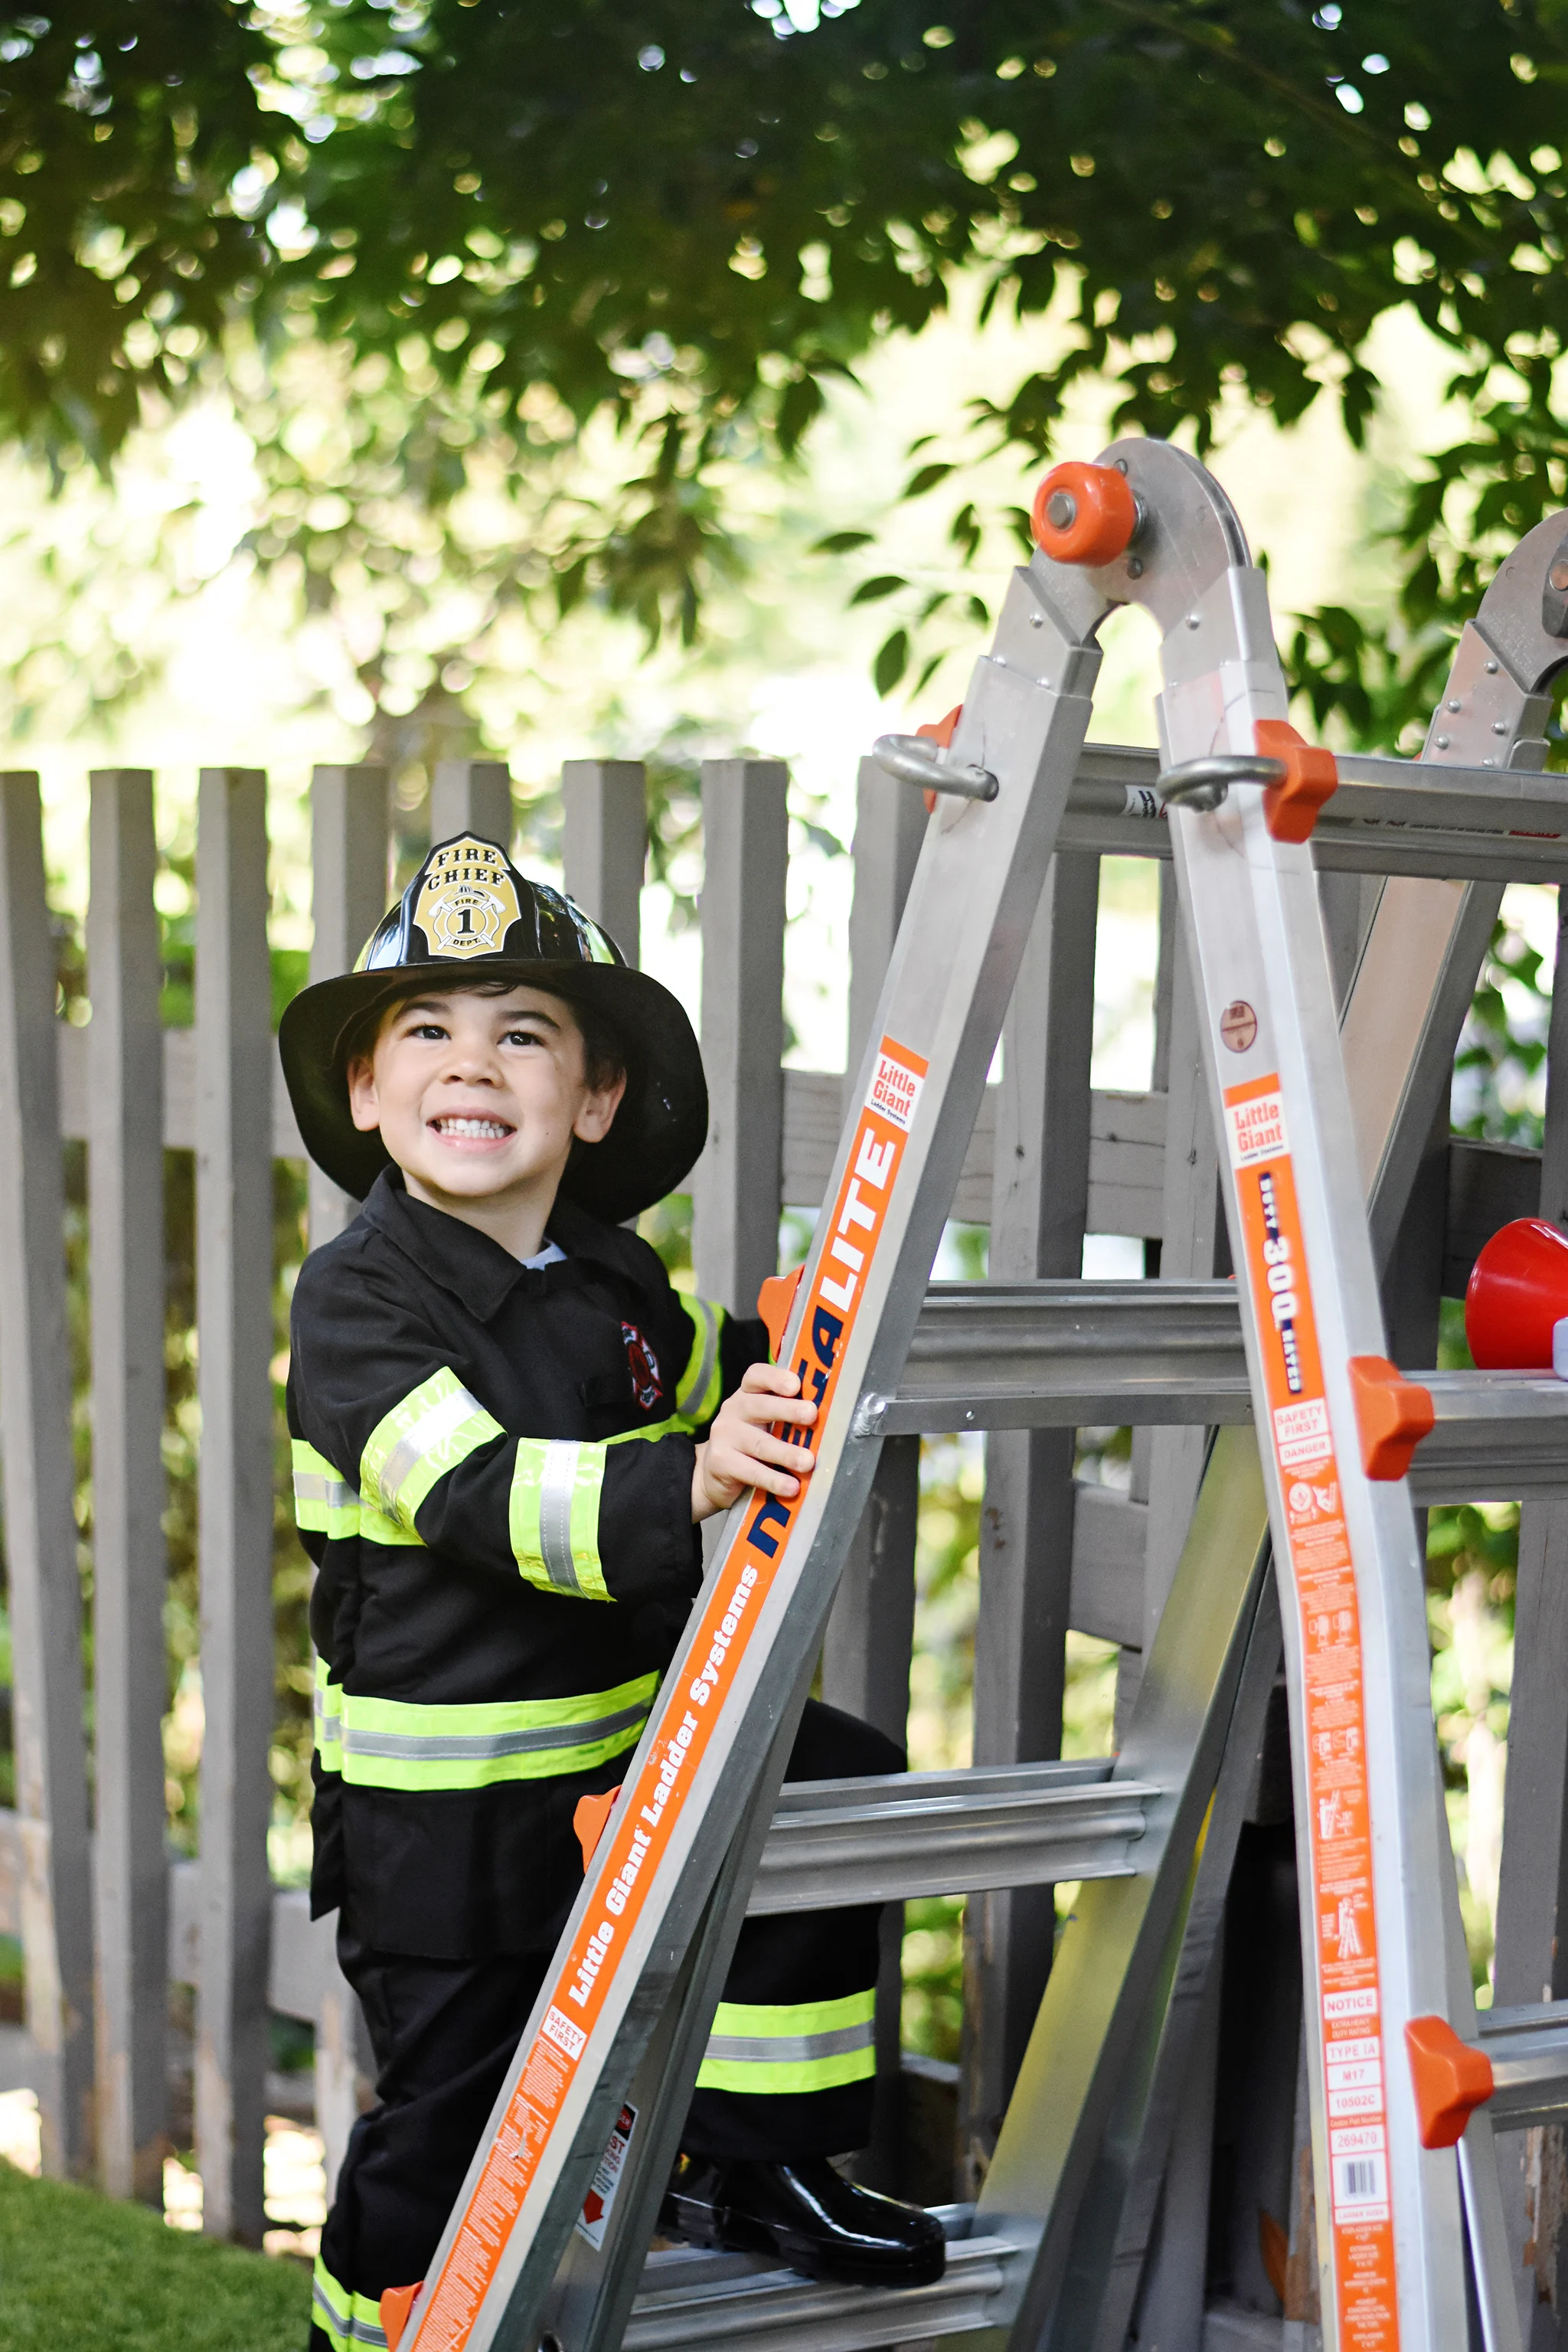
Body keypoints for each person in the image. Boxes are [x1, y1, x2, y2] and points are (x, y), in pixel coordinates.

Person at [278, 833, 945, 2351]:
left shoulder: (608, 1276)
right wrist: (693, 1477)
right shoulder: (358, 1302)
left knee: (825, 1788)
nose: (473, 1062)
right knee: (454, 2126)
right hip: (441, 1827)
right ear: (370, 1094)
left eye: (523, 1032)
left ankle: (762, 2162)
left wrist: (817, 1364)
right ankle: (357, 2327)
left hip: (620, 1749)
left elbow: (731, 1372)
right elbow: (479, 1496)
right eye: (427, 1031)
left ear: (588, 1101)